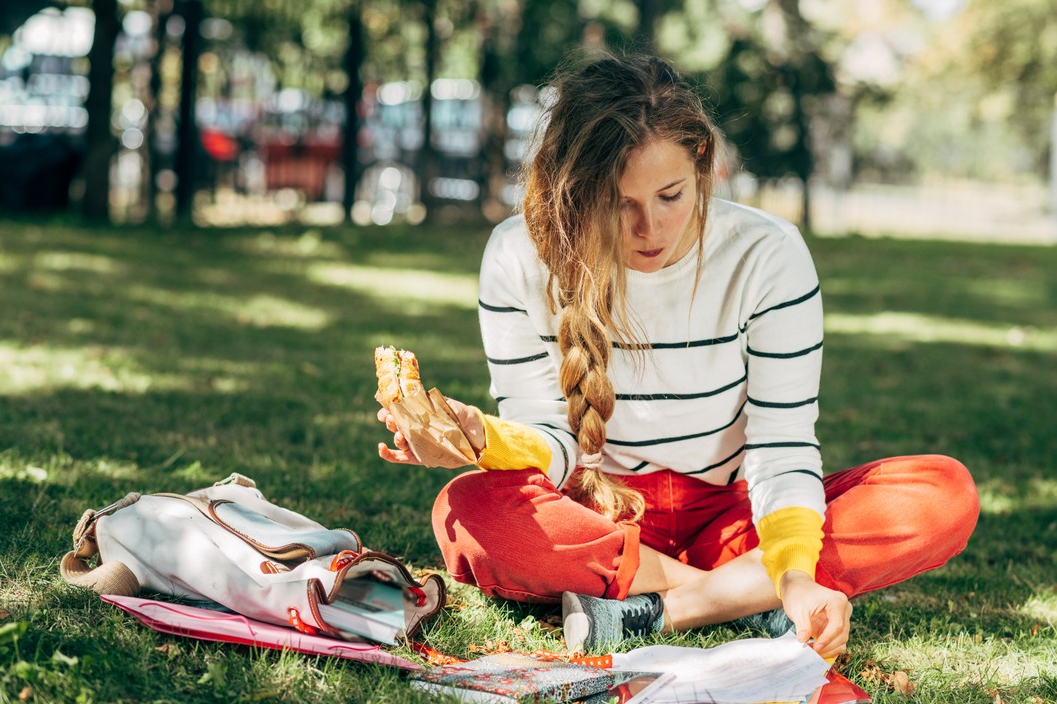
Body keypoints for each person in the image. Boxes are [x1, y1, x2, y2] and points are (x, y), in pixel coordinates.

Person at [377, 51, 979, 697]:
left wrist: (798, 570)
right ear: (575, 191)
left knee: (942, 492)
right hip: (598, 516)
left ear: (702, 163)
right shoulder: (518, 257)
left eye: (670, 196)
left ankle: (661, 611)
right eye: (619, 203)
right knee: (466, 509)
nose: (650, 228)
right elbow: (549, 443)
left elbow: (782, 444)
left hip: (733, 518)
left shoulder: (768, 256)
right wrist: (482, 441)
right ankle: (750, 599)